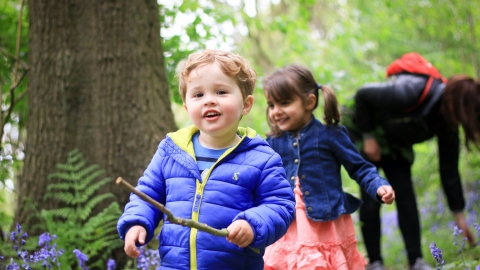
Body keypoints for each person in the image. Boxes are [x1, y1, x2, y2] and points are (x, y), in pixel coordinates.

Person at [117, 50, 296, 270]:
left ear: (246, 104)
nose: (209, 100)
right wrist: (136, 222)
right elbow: (147, 194)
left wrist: (252, 223)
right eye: (198, 95)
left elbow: (280, 205)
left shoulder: (262, 158)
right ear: (186, 106)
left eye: (221, 92)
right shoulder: (171, 151)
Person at [261, 64, 396, 270]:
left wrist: (378, 185)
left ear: (309, 102)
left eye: (284, 103)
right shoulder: (272, 142)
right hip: (288, 221)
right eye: (271, 105)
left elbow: (360, 168)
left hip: (325, 222)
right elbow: (260, 179)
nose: (276, 111)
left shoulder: (330, 135)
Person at [343, 68, 479, 270]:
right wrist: (368, 136)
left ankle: (416, 261)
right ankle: (375, 262)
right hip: (364, 129)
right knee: (372, 196)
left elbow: (449, 171)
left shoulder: (447, 122)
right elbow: (363, 95)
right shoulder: (411, 91)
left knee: (405, 194)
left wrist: (460, 217)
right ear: (456, 103)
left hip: (394, 144)